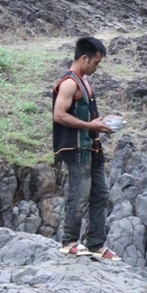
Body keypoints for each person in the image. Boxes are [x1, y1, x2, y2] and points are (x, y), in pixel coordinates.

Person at [52, 37, 120, 260]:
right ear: (84, 58)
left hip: (92, 146)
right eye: (96, 62)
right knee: (79, 194)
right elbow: (59, 114)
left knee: (100, 193)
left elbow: (85, 114)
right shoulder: (70, 82)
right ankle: (69, 241)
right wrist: (90, 125)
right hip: (76, 147)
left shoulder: (85, 81)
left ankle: (96, 244)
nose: (97, 67)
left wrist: (101, 121)